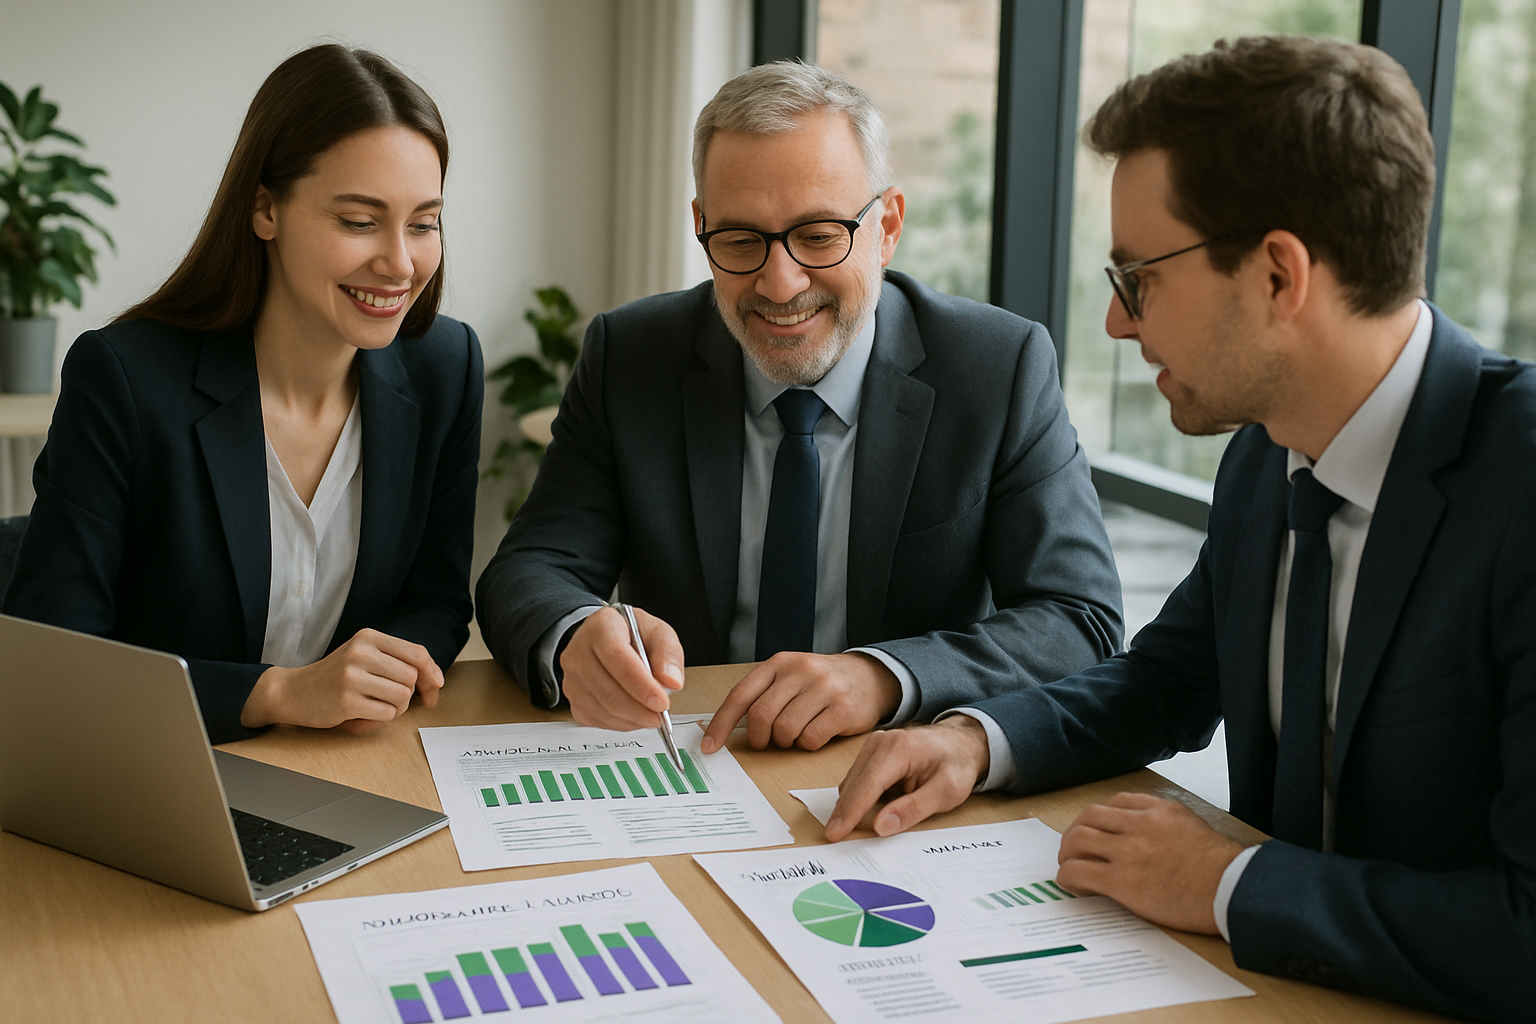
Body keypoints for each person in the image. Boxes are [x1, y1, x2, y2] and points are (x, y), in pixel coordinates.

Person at [825, 36, 1536, 1021]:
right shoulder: (1269, 449)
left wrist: (1228, 884)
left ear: (1280, 276)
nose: (1118, 326)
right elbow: (1167, 680)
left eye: (1137, 280)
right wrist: (977, 743)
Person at [475, 61, 1122, 753]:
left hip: (896, 762)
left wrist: (884, 677)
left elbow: (1078, 618)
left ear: (888, 225)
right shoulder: (633, 354)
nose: (779, 284)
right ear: (701, 227)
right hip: (688, 757)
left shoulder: (997, 366)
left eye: (818, 236)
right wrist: (575, 631)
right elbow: (529, 569)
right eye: (740, 241)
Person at [4, 45, 483, 745]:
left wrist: (379, 674)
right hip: (155, 769)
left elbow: (436, 599)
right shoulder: (124, 380)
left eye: (423, 222)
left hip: (343, 766)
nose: (400, 263)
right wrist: (280, 692)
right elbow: (58, 664)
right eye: (359, 221)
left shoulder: (446, 366)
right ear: (265, 208)